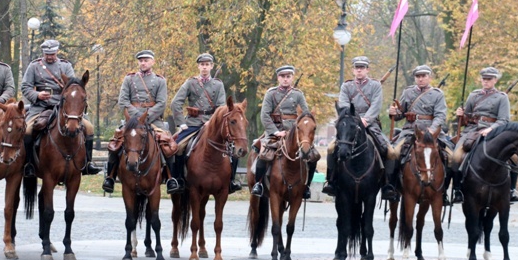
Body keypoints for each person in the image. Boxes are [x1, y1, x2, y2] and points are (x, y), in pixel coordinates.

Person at [20, 39, 101, 177]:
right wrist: (37, 95)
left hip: (64, 106)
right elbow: (25, 87)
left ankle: (87, 163)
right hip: (40, 106)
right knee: (28, 129)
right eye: (47, 54)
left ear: (57, 51)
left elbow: (73, 86)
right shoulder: (34, 66)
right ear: (43, 53)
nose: (49, 56)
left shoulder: (65, 66)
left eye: (52, 53)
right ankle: (28, 164)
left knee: (89, 127)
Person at [167, 53, 241, 194]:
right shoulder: (190, 83)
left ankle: (231, 181)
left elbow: (221, 107)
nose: (204, 67)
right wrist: (181, 123)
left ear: (211, 66)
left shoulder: (218, 84)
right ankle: (177, 180)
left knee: (232, 149)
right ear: (198, 66)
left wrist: (212, 122)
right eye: (202, 65)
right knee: (177, 147)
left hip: (212, 125)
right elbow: (176, 103)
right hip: (192, 124)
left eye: (207, 65)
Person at [322, 56, 393, 197]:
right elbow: (343, 105)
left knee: (389, 150)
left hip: (370, 123)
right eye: (357, 67)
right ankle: (331, 181)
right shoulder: (346, 86)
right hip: (349, 123)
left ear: (367, 69)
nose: (359, 70)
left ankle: (387, 184)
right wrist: (354, 121)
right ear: (353, 70)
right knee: (331, 148)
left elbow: (376, 105)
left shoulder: (375, 86)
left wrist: (365, 120)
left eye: (362, 67)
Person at [102, 50, 168, 193]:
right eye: (141, 60)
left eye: (146, 60)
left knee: (168, 143)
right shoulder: (129, 79)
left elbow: (162, 103)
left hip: (153, 119)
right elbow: (123, 101)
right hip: (131, 119)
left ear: (152, 62)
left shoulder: (160, 80)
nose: (143, 63)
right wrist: (136, 116)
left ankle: (171, 177)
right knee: (116, 141)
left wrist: (146, 116)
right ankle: (110, 176)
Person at [251, 65, 318, 199]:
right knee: (264, 153)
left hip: (295, 133)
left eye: (288, 77)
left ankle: (307, 186)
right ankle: (258, 184)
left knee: (313, 155)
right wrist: (276, 132)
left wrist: (298, 131)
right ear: (278, 78)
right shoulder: (271, 93)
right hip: (275, 131)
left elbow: (305, 115)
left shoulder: (298, 94)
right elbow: (264, 115)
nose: (285, 79)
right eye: (283, 77)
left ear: (292, 77)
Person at [383, 64, 448, 201]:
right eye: (418, 76)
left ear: (429, 77)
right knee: (393, 153)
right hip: (410, 130)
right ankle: (391, 186)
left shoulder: (437, 94)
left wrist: (431, 130)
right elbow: (400, 115)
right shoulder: (408, 92)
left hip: (431, 132)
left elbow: (440, 116)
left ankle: (445, 190)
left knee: (451, 156)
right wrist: (393, 113)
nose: (421, 79)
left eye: (424, 76)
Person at [451, 66, 513, 203]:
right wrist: (460, 115)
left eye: (489, 79)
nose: (486, 81)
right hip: (472, 131)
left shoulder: (502, 97)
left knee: (513, 156)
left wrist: (491, 129)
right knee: (455, 155)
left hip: (493, 131)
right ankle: (457, 189)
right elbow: (466, 118)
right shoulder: (474, 95)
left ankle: (512, 190)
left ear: (495, 80)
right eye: (484, 79)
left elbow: (504, 120)